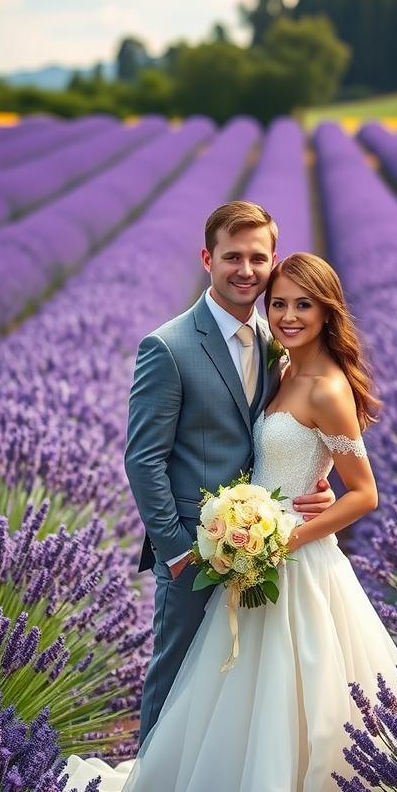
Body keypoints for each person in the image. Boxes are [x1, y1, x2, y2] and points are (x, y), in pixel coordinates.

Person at [67, 252, 397, 792]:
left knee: (305, 718)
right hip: (258, 566)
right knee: (238, 715)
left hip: (298, 569)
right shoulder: (282, 369)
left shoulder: (328, 386)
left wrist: (284, 538)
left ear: (327, 312)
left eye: (301, 306)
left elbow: (364, 493)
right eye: (278, 304)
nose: (285, 316)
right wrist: (247, 525)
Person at [124, 201, 334, 743]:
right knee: (175, 679)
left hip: (263, 549)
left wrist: (318, 482)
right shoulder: (168, 347)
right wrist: (175, 552)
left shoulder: (276, 343)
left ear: (273, 262)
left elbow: (287, 434)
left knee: (240, 687)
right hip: (196, 550)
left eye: (258, 258)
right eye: (232, 257)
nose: (246, 270)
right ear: (206, 258)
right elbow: (143, 459)